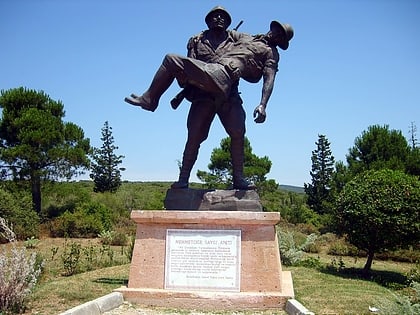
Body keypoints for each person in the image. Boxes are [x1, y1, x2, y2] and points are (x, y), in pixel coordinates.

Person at [125, 9, 293, 190]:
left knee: (238, 132)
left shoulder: (270, 53)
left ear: (280, 41)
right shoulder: (243, 37)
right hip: (204, 92)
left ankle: (238, 179)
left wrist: (263, 104)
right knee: (194, 136)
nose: (273, 32)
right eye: (274, 29)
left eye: (279, 34)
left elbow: (269, 78)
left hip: (225, 85)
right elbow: (193, 63)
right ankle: (183, 180)